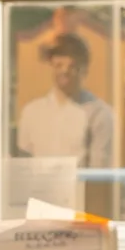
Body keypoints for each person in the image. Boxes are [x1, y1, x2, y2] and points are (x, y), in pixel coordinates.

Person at [15, 32, 115, 168]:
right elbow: (23, 166)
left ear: (84, 69)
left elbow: (100, 171)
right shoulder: (31, 112)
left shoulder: (100, 113)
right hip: (38, 188)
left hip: (79, 188)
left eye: (72, 66)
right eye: (59, 65)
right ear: (51, 66)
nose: (65, 71)